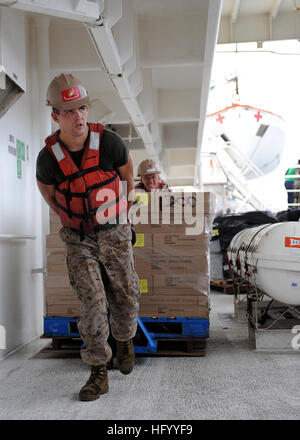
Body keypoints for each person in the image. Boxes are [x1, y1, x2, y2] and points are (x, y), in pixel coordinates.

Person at [36, 73, 141, 402]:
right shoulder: (48, 159)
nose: (79, 115)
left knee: (126, 300)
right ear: (56, 116)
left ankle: (124, 340)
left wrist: (120, 218)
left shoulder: (109, 143)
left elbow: (127, 178)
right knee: (92, 305)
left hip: (115, 232)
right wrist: (75, 220)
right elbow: (51, 197)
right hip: (79, 239)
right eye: (69, 111)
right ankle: (98, 370)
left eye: (82, 107)